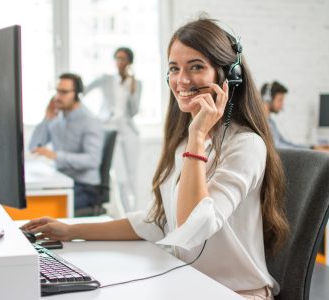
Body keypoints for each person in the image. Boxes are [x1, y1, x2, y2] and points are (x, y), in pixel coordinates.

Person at [22, 18, 289, 299]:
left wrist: (198, 134)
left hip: (236, 293)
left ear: (228, 77)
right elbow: (158, 221)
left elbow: (192, 228)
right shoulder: (185, 142)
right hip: (189, 284)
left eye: (196, 67)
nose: (182, 80)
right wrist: (72, 230)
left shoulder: (245, 145)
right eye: (174, 69)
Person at [29, 73, 104, 211]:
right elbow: (34, 147)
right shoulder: (57, 119)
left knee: (43, 209)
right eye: (57, 91)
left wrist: (56, 156)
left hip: (85, 187)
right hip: (61, 181)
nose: (58, 97)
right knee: (30, 200)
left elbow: (93, 160)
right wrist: (47, 117)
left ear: (77, 94)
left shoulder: (90, 121)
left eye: (64, 92)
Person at [83, 47, 142, 212]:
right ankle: (125, 214)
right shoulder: (105, 79)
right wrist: (95, 118)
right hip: (109, 129)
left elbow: (134, 111)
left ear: (129, 62)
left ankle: (135, 213)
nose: (119, 62)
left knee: (132, 175)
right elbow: (82, 91)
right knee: (120, 176)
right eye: (117, 58)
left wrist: (131, 91)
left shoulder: (136, 83)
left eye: (123, 59)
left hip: (128, 131)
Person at [261, 81, 329, 151]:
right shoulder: (263, 123)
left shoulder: (271, 122)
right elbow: (279, 148)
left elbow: (286, 143)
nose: (282, 105)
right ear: (268, 99)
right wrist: (312, 151)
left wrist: (312, 148)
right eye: (280, 100)